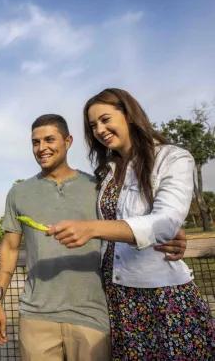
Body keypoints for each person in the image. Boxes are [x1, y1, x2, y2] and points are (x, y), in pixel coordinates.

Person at [0, 114, 186, 361]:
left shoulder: (99, 187)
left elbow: (137, 222)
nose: (42, 148)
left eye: (49, 139)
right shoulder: (18, 193)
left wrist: (173, 231)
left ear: (68, 141)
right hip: (35, 315)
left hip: (92, 315)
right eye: (35, 142)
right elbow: (8, 249)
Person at [49, 88, 214, 359]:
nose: (100, 130)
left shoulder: (172, 158)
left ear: (129, 115)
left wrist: (92, 228)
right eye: (93, 126)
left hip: (162, 295)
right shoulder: (106, 173)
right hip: (117, 295)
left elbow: (166, 220)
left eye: (105, 119)